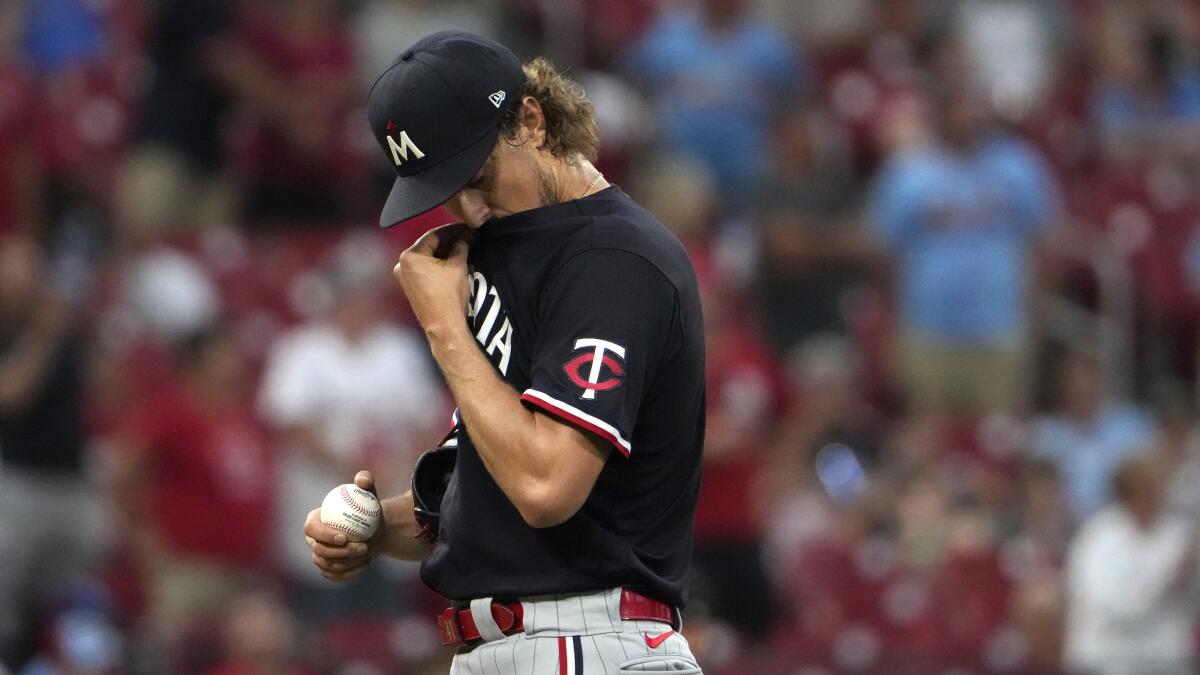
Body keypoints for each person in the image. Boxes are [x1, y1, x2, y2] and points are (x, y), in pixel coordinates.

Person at [303, 32, 706, 673]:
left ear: (530, 119)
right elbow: (488, 496)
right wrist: (379, 531)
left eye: (476, 174)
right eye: (444, 189)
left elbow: (546, 486)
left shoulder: (613, 260)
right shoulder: (515, 254)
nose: (470, 207)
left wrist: (444, 329)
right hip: (508, 646)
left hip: (591, 643)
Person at [1064, 455, 1200, 675]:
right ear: (1127, 493)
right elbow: (1114, 606)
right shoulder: (1098, 536)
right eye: (1145, 489)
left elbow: (1192, 605)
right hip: (1108, 657)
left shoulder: (1177, 533)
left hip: (1166, 657)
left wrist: (1191, 576)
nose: (1154, 496)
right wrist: (1170, 576)